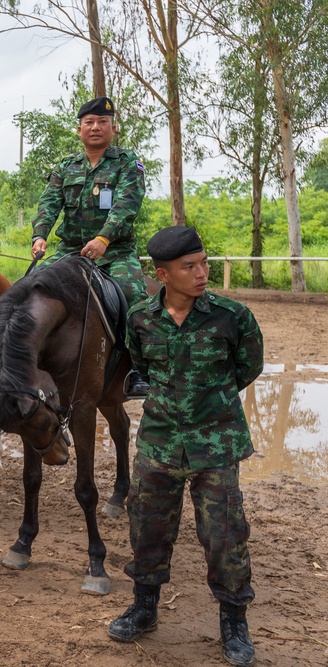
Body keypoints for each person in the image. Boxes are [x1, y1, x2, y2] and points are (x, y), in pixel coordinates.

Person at [107, 226, 263, 667]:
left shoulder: (232, 316)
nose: (201, 273)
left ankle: (234, 622)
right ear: (163, 274)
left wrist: (208, 402)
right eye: (189, 267)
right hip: (158, 443)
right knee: (147, 528)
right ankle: (145, 607)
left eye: (204, 263)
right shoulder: (140, 318)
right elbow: (140, 364)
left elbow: (248, 365)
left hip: (216, 444)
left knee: (225, 535)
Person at [30, 95, 150, 397]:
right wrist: (40, 235)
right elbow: (49, 202)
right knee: (30, 287)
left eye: (102, 122)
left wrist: (103, 238)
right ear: (79, 129)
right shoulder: (65, 166)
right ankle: (25, 363)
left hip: (115, 252)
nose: (95, 127)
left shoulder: (127, 163)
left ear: (113, 128)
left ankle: (138, 369)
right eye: (89, 123)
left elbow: (126, 206)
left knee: (134, 294)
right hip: (70, 252)